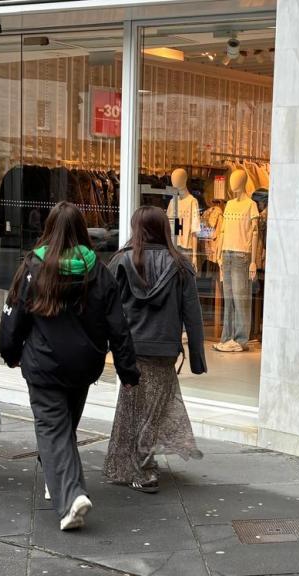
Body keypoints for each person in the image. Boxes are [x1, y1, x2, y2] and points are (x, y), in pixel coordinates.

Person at [0, 202, 139, 531]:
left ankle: (72, 495)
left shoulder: (34, 267)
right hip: (84, 366)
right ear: (81, 230)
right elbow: (119, 327)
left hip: (43, 364)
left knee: (53, 428)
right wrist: (127, 370)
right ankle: (57, 480)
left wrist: (10, 352)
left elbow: (14, 314)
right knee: (64, 428)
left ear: (48, 228)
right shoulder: (99, 272)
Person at [104, 206, 206, 493]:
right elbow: (193, 315)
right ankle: (142, 463)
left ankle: (141, 465)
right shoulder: (179, 264)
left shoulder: (122, 261)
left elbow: (106, 308)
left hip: (131, 348)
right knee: (153, 408)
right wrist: (197, 357)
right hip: (164, 349)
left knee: (133, 407)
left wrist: (101, 345)